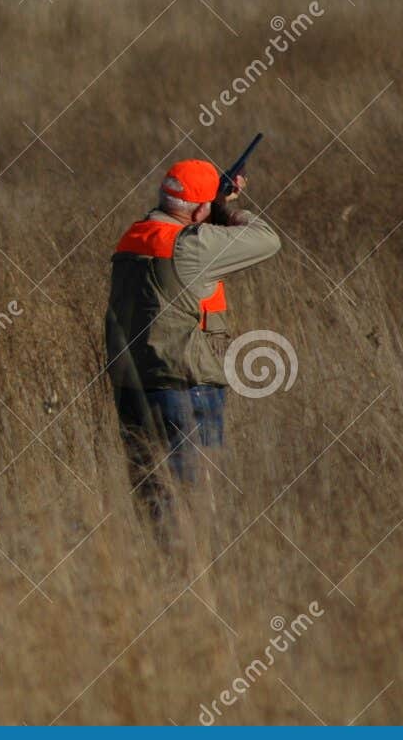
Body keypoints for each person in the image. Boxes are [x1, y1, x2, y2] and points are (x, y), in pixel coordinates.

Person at [104, 158, 280, 524]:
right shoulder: (192, 246)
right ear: (202, 208)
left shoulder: (133, 236)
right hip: (185, 387)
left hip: (132, 388)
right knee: (197, 504)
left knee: (154, 501)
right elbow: (267, 239)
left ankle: (162, 576)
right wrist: (226, 208)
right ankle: (199, 575)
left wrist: (207, 210)